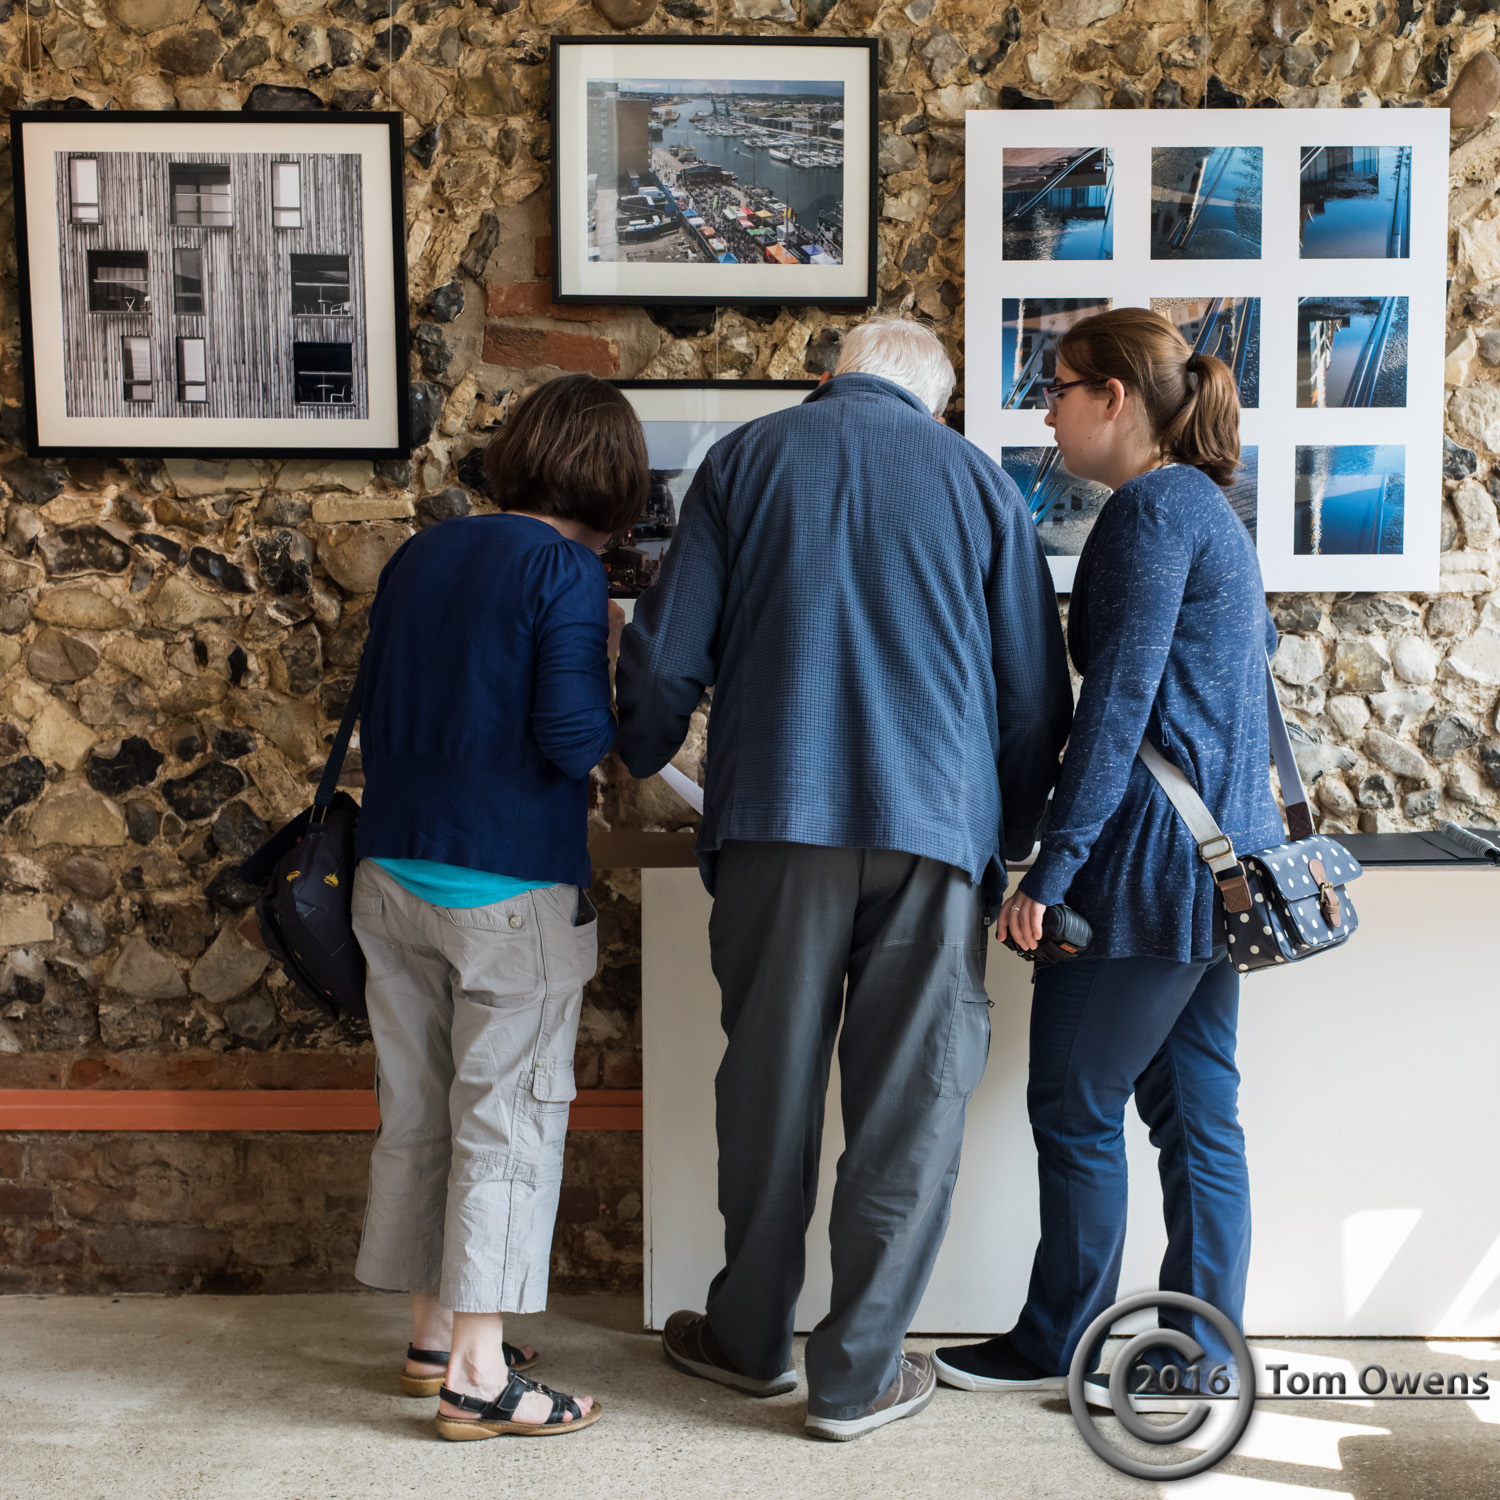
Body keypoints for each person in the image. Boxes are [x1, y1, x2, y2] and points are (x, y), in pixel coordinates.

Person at [615, 317, 1074, 1440]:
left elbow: (670, 654)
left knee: (766, 1085)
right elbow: (1031, 696)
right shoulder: (981, 483)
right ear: (935, 400)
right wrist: (1002, 834)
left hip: (781, 818)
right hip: (934, 832)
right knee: (908, 1107)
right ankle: (858, 1376)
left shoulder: (748, 458)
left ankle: (748, 1340)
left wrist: (638, 744)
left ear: (831, 379)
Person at [933, 307, 1281, 1408]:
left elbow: (1117, 709)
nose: (1047, 411)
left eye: (1060, 389)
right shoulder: (1209, 511)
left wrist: (1052, 867)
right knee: (1197, 1118)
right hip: (1218, 863)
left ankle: (1058, 1339)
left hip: (1142, 871)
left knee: (1076, 1104)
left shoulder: (1145, 514)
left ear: (1115, 399)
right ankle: (1200, 1353)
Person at [348, 374, 648, 1440]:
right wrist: (613, 671)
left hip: (391, 874)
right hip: (508, 884)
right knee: (506, 1120)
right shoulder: (565, 572)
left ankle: (433, 1338)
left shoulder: (423, 552)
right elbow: (570, 740)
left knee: (422, 1111)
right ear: (613, 476)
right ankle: (480, 1372)